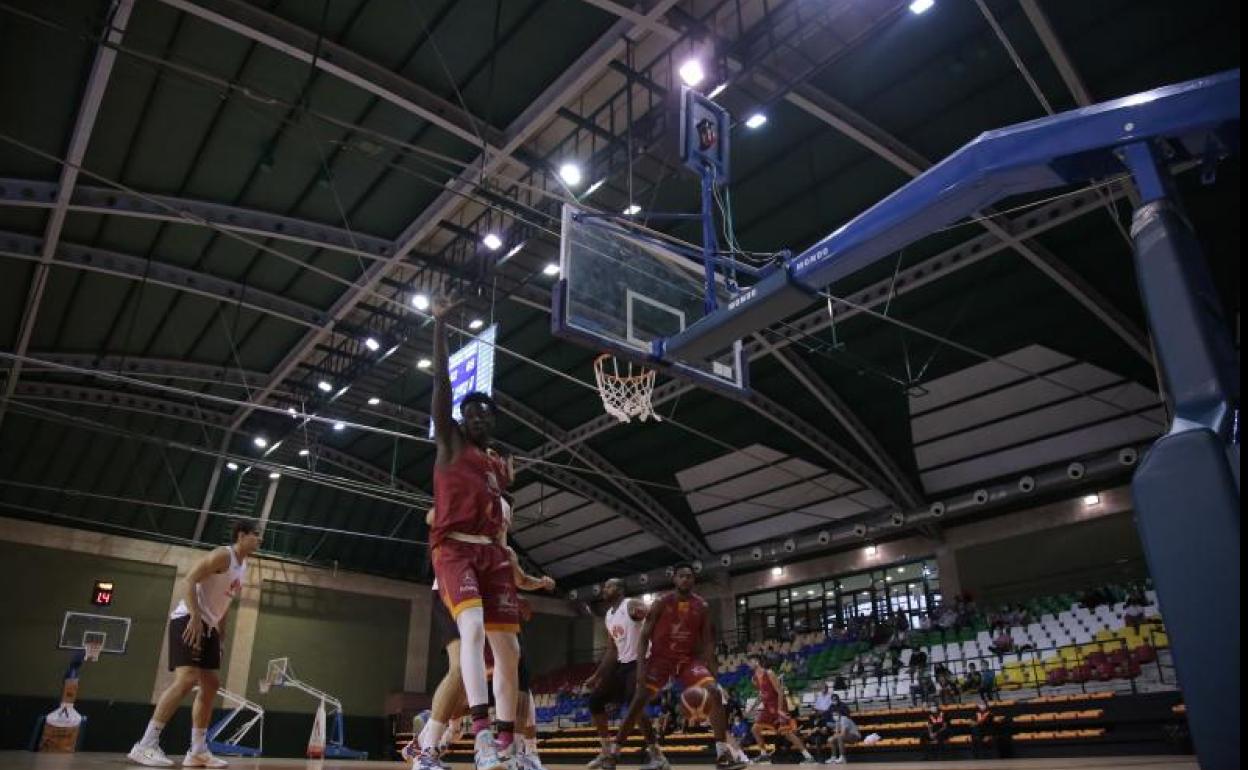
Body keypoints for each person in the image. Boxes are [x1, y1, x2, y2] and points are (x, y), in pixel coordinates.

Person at [428, 291, 521, 770]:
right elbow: (442, 385)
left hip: (492, 554)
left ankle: (508, 743)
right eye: (473, 413)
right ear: (462, 421)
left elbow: (502, 516)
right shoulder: (450, 444)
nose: (480, 417)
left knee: (510, 649)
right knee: (473, 629)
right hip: (454, 551)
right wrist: (442, 323)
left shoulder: (494, 465)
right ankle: (481, 737)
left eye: (487, 414)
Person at [128, 520, 262, 768]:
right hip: (188, 620)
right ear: (241, 535)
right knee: (187, 679)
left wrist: (221, 631)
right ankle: (145, 744)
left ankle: (198, 750)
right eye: (255, 534)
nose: (259, 539)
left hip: (209, 626)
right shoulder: (223, 555)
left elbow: (226, 599)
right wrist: (196, 616)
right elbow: (188, 580)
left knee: (211, 684)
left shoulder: (244, 566)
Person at [603, 564, 747, 770]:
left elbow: (707, 642)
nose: (686, 579)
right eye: (682, 576)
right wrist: (642, 668)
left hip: (687, 660)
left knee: (714, 692)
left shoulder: (702, 606)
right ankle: (614, 753)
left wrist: (712, 668)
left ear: (693, 581)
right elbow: (644, 636)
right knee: (638, 700)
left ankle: (723, 755)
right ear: (675, 580)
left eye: (689, 576)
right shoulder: (662, 602)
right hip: (660, 659)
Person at [584, 579, 664, 770]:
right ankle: (605, 751)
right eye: (604, 587)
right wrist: (596, 676)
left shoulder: (631, 605)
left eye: (609, 586)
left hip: (641, 661)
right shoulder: (609, 616)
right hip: (623, 664)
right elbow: (612, 650)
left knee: (633, 705)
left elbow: (653, 615)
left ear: (620, 589)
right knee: (595, 700)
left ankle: (657, 755)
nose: (604, 589)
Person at [748, 654, 816, 765]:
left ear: (756, 661)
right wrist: (752, 708)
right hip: (767, 708)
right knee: (755, 729)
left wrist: (780, 710)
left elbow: (780, 691)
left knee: (787, 733)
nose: (748, 664)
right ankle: (764, 755)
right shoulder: (754, 678)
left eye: (750, 661)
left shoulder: (769, 673)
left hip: (778, 706)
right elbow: (761, 694)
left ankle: (809, 757)